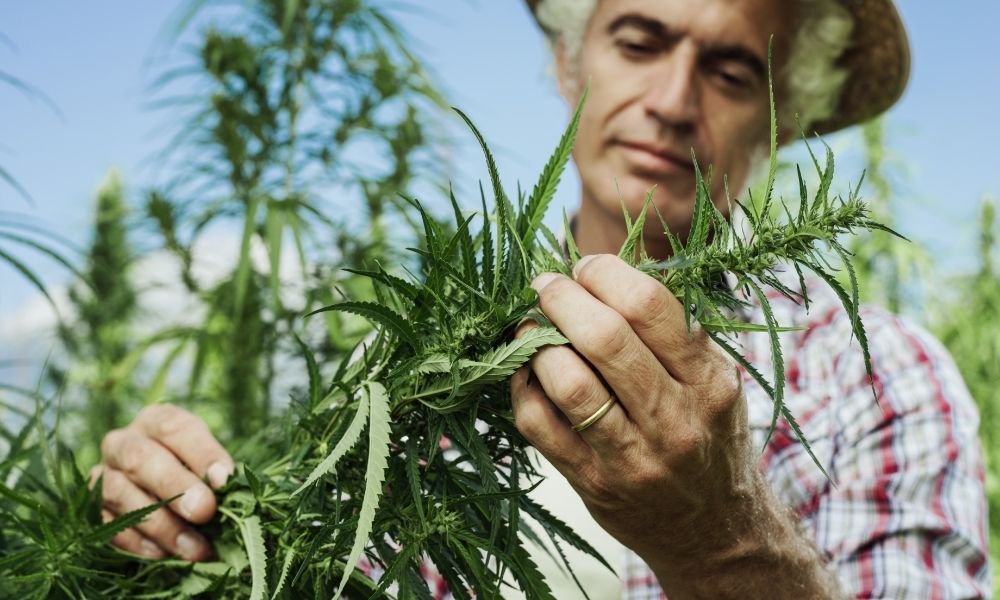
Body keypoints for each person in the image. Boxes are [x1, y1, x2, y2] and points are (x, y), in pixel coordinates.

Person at [91, 0, 991, 597]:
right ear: (570, 63)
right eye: (639, 42)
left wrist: (722, 540)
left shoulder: (880, 380)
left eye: (728, 70)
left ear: (782, 114)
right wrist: (211, 533)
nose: (673, 101)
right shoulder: (418, 359)